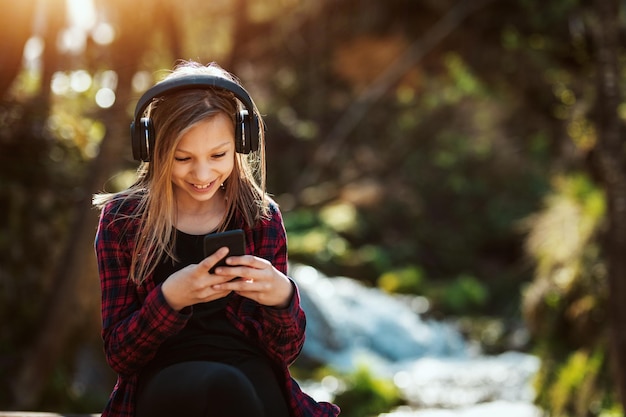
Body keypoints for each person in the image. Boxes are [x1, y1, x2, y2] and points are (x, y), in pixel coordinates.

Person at [93, 60, 340, 417]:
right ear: (152, 149)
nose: (203, 173)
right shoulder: (122, 222)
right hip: (164, 378)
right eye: (182, 158)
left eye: (218, 155)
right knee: (224, 387)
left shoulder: (261, 217)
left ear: (242, 143)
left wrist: (282, 298)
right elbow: (120, 355)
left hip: (253, 374)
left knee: (247, 393)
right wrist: (170, 299)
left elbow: (285, 352)